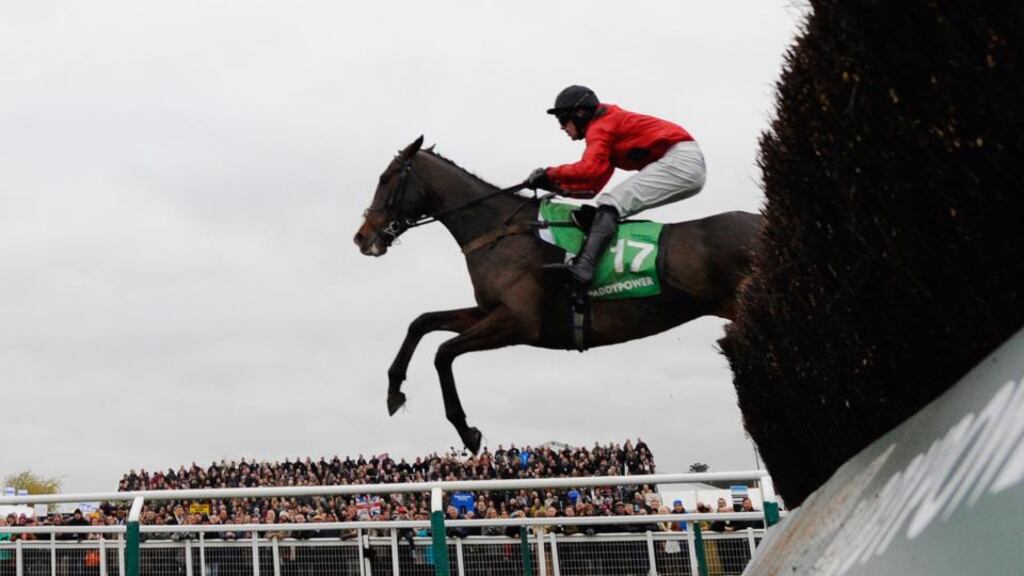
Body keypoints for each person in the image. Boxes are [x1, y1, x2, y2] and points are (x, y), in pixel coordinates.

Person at [527, 84, 705, 286]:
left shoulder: (601, 126)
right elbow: (591, 188)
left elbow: (587, 169)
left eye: (562, 119)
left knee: (611, 203)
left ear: (580, 113)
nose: (561, 127)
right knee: (608, 204)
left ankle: (584, 267)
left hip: (681, 161)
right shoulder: (607, 127)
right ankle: (590, 263)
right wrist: (551, 185)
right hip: (684, 162)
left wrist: (549, 173)